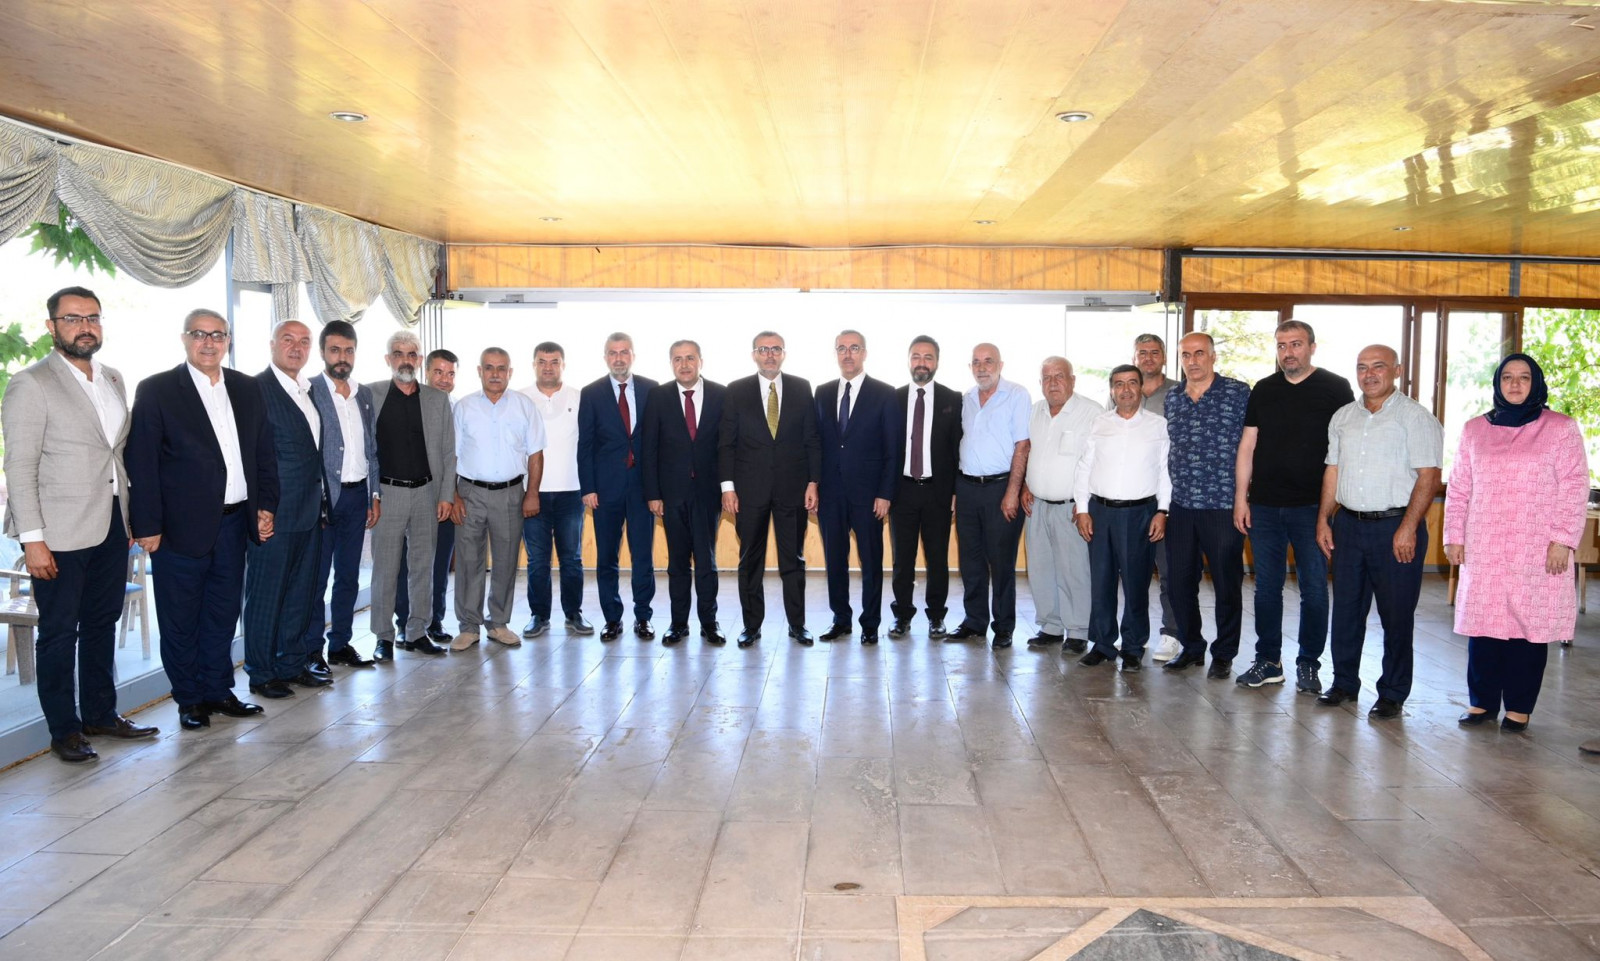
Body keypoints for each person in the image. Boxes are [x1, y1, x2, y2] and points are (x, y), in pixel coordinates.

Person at [2, 287, 157, 762]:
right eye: (72, 319)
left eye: (92, 317)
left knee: (101, 623)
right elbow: (19, 466)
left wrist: (128, 518)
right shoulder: (31, 383)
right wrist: (33, 541)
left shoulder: (113, 378)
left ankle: (100, 714)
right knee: (58, 632)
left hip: (111, 524)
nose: (84, 327)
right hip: (57, 532)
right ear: (52, 327)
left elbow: (115, 454)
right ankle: (64, 731)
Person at [127, 308, 276, 731]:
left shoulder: (246, 388)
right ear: (184, 339)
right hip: (178, 530)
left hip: (234, 524)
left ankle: (218, 690)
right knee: (180, 618)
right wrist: (147, 525)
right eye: (199, 334)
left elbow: (263, 452)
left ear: (228, 341)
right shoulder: (157, 390)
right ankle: (189, 699)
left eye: (218, 335)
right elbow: (142, 461)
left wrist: (266, 505)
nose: (209, 343)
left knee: (223, 614)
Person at [1445, 354, 1588, 733]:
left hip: (1536, 546)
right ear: (1497, 383)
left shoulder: (1560, 429)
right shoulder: (1475, 430)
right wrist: (1454, 536)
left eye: (1524, 377)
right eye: (1507, 377)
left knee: (1528, 628)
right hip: (1484, 545)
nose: (1514, 384)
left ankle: (1519, 708)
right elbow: (1459, 487)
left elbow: (1575, 486)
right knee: (1484, 625)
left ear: (1535, 383)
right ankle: (1481, 703)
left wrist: (1562, 540)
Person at [1316, 344, 1442, 719]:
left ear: (1397, 371)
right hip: (1348, 527)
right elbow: (1333, 470)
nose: (1369, 374)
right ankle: (1344, 683)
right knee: (1346, 611)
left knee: (1396, 615)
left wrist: (1408, 528)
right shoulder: (1343, 417)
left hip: (1395, 528)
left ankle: (1392, 692)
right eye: (1362, 367)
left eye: (1378, 366)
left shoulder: (1415, 417)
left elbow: (1429, 476)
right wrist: (1324, 518)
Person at [1232, 320, 1353, 692]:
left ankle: (1309, 664)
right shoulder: (1264, 389)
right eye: (1282, 345)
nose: (1288, 352)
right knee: (1266, 589)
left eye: (1296, 344)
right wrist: (1241, 498)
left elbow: (1345, 451)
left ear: (1312, 347)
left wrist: (1329, 511)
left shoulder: (1336, 388)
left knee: (1314, 589)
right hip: (1265, 507)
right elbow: (1248, 445)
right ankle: (1268, 661)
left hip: (1313, 509)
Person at [241, 320, 330, 699]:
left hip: (310, 512)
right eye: (288, 340)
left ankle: (291, 664)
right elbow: (250, 455)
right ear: (272, 344)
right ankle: (261, 672)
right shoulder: (255, 390)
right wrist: (260, 508)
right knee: (266, 596)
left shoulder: (307, 390)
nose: (297, 348)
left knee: (299, 594)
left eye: (304, 341)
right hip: (274, 515)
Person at [718, 331, 821, 647]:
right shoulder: (736, 390)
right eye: (763, 349)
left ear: (784, 353)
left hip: (793, 489)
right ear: (754, 355)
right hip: (749, 492)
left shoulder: (802, 387)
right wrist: (727, 488)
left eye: (776, 349)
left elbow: (812, 439)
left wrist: (813, 482)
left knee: (794, 560)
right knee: (750, 560)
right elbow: (726, 443)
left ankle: (797, 624)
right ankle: (751, 626)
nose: (770, 354)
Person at [1162, 331, 1250, 678]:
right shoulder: (1173, 398)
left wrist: (1244, 498)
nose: (1193, 361)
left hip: (1223, 504)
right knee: (1179, 582)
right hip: (1181, 505)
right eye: (1186, 355)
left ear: (1213, 356)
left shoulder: (1238, 392)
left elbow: (1251, 446)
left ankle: (1224, 653)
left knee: (1227, 583)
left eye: (1199, 353)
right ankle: (1192, 647)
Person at [1073, 365, 1170, 671]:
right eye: (1119, 384)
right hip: (1100, 512)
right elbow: (1084, 467)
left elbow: (1165, 472)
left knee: (1136, 583)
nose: (1125, 390)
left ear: (1141, 388)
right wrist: (1082, 509)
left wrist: (1162, 511)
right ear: (1112, 390)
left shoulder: (1158, 425)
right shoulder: (1099, 423)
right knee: (1101, 581)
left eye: (1131, 383)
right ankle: (1102, 644)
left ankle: (1133, 646)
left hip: (1140, 513)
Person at [368, 331, 456, 662]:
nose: (405, 360)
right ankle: (383, 636)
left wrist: (446, 495)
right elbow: (365, 450)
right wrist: (371, 495)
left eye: (412, 354)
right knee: (385, 569)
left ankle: (417, 631)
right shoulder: (371, 394)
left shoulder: (437, 399)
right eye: (398, 353)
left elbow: (448, 452)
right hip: (387, 493)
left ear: (419, 360)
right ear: (388, 359)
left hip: (426, 494)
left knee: (423, 567)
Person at [452, 347, 546, 650]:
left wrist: (532, 493)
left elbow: (535, 453)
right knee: (469, 560)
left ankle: (498, 623)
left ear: (510, 372)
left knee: (506, 560)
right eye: (489, 368)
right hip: (470, 493)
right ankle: (469, 626)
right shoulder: (464, 407)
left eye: (501, 368)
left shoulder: (524, 406)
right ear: (480, 371)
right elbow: (450, 455)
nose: (495, 374)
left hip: (510, 494)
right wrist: (453, 495)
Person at [814, 330, 900, 645]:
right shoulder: (822, 392)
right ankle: (841, 619)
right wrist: (813, 484)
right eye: (842, 348)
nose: (847, 354)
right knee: (835, 561)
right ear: (835, 353)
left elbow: (893, 449)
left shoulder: (884, 393)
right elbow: (816, 443)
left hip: (869, 496)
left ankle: (870, 623)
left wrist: (885, 493)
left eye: (854, 348)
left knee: (871, 561)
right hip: (830, 494)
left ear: (864, 353)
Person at [305, 320, 380, 670]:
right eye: (335, 350)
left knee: (348, 576)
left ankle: (340, 645)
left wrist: (374, 495)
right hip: (322, 501)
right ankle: (312, 650)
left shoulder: (363, 395)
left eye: (348, 350)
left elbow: (372, 449)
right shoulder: (308, 391)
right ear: (323, 352)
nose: (342, 357)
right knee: (317, 579)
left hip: (356, 497)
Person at [641, 340, 727, 645]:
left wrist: (728, 488)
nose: (684, 364)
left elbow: (727, 447)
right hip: (671, 494)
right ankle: (678, 623)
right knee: (677, 562)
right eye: (678, 359)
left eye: (690, 358)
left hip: (707, 492)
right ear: (671, 363)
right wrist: (653, 493)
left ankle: (710, 622)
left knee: (706, 561)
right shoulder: (658, 396)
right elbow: (649, 448)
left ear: (701, 361)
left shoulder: (720, 394)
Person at [947, 343, 1031, 649]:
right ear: (970, 367)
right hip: (967, 488)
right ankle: (974, 621)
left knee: (1001, 561)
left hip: (1001, 488)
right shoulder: (966, 399)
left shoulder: (1017, 395)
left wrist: (1012, 492)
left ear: (1000, 365)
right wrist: (955, 492)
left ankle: (1004, 626)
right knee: (970, 561)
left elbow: (1023, 445)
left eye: (988, 361)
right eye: (976, 362)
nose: (982, 368)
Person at [578, 333, 658, 641]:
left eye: (624, 352)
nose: (619, 358)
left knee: (643, 556)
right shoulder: (591, 393)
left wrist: (657, 489)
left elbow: (658, 442)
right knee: (607, 558)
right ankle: (612, 618)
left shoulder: (652, 389)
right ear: (605, 358)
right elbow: (585, 444)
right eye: (613, 353)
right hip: (605, 490)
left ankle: (643, 617)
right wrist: (588, 487)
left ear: (633, 356)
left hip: (642, 489)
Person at [1022, 357, 1101, 652]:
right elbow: (1029, 451)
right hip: (1037, 506)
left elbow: (1098, 460)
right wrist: (1026, 485)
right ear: (1040, 382)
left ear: (1072, 380)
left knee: (1074, 570)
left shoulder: (1091, 412)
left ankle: (1078, 630)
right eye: (1047, 377)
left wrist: (1085, 502)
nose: (1053, 383)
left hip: (1072, 508)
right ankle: (1051, 626)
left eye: (1059, 376)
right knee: (1040, 569)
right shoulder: (1034, 411)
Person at [888, 336, 963, 639]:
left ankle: (936, 617)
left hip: (938, 493)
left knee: (937, 558)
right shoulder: (892, 399)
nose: (922, 363)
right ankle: (901, 615)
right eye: (916, 356)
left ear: (937, 362)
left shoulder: (953, 399)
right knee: (902, 559)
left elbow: (958, 448)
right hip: (902, 491)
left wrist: (956, 491)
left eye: (928, 357)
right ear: (908, 361)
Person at [519, 342, 593, 639]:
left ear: (563, 364)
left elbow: (589, 444)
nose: (548, 367)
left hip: (571, 492)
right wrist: (526, 491)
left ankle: (574, 614)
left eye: (554, 361)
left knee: (571, 558)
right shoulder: (520, 398)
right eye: (542, 361)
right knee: (537, 560)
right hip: (532, 493)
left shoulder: (580, 397)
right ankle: (539, 615)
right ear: (533, 364)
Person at [394, 348, 457, 645]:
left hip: (446, 498)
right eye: (438, 372)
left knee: (439, 562)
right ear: (425, 371)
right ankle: (404, 622)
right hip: (413, 495)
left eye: (450, 374)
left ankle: (434, 621)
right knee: (406, 564)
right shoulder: (409, 403)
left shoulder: (458, 407)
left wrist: (452, 494)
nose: (444, 379)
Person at [1131, 333, 1182, 661]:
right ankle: (1135, 632)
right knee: (1132, 571)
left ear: (1163, 357)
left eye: (1154, 352)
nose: (1148, 358)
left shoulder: (1179, 392)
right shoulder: (1124, 392)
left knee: (1169, 571)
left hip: (1169, 495)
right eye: (1142, 353)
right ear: (1134, 358)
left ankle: (1172, 633)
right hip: (1132, 495)